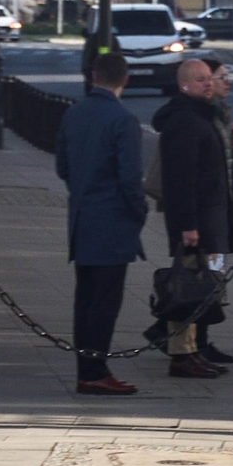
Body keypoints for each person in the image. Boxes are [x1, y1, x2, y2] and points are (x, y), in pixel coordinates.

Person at [56, 50, 150, 396]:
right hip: (112, 222)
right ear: (125, 80)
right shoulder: (123, 120)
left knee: (85, 301)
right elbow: (130, 177)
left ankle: (87, 368)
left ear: (93, 77)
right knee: (105, 303)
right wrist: (138, 211)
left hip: (82, 220)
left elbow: (62, 167)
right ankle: (96, 370)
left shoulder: (74, 113)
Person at [152, 57, 233, 378]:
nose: (208, 83)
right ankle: (182, 354)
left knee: (200, 287)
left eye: (208, 78)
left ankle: (194, 350)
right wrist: (188, 225)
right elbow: (180, 178)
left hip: (208, 217)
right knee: (186, 288)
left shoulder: (200, 115)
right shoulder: (185, 120)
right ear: (184, 84)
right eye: (200, 79)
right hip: (196, 221)